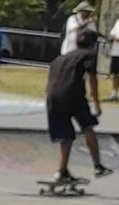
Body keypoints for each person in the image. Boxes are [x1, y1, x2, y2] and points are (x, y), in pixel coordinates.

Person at [46, 27, 112, 184]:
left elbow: (50, 79)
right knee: (87, 126)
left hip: (52, 97)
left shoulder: (60, 58)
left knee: (65, 135)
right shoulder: (89, 55)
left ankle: (61, 171)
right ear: (93, 44)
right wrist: (96, 103)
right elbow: (92, 78)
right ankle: (98, 166)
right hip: (73, 95)